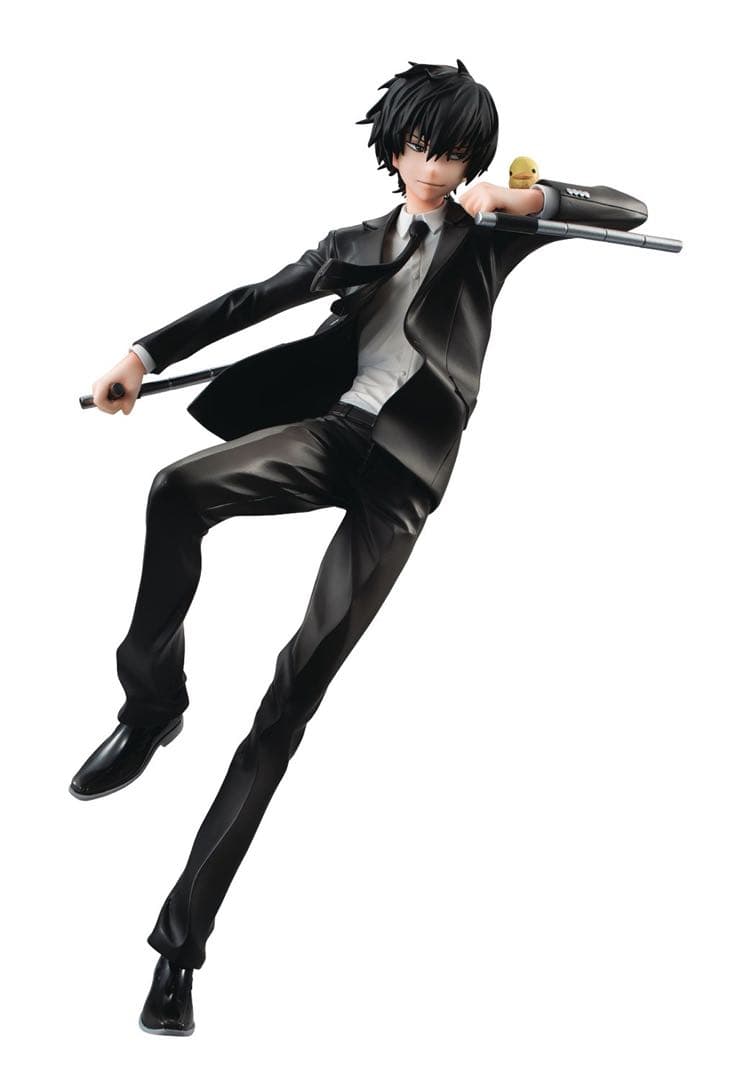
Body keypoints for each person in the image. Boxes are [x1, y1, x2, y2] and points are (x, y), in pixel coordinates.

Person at [70, 59, 648, 1035]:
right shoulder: (356, 244)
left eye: (453, 152)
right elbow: (249, 301)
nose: (435, 166)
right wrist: (141, 355)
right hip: (331, 436)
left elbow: (627, 210)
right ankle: (153, 704)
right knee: (177, 490)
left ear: (471, 158)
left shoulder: (488, 237)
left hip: (401, 477)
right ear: (393, 149)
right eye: (421, 146)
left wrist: (528, 198)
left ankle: (177, 953)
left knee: (288, 698)